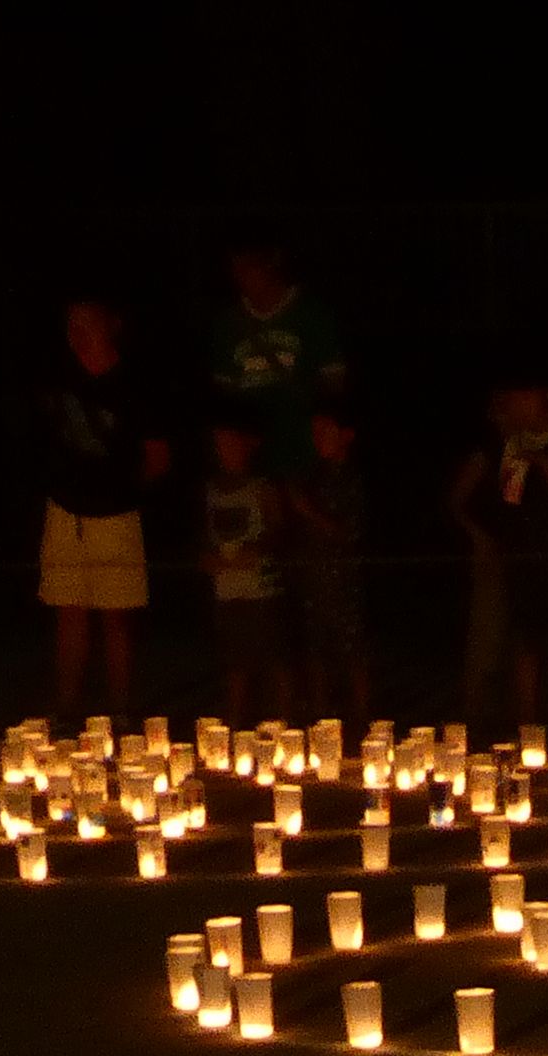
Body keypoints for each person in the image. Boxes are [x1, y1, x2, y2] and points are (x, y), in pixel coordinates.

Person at [34, 298, 170, 712]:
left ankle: (121, 711)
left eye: (87, 322)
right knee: (69, 613)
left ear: (112, 324)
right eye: (71, 324)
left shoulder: (135, 384)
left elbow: (158, 456)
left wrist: (125, 493)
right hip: (65, 511)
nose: (78, 332)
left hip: (116, 515)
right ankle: (66, 708)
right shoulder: (58, 378)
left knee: (116, 618)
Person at [451, 378, 548, 729]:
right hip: (523, 552)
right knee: (525, 634)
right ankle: (526, 715)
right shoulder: (513, 442)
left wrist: (542, 462)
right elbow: (510, 497)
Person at [281, 402, 369, 721]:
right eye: (314, 431)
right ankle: (320, 716)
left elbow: (350, 532)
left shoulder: (351, 479)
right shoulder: (311, 476)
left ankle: (361, 719)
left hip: (344, 579)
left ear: (346, 435)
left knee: (351, 651)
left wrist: (309, 512)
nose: (317, 437)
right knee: (315, 648)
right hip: (311, 577)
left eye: (325, 430)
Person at [202, 413, 289, 720]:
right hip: (226, 589)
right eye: (219, 443)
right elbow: (204, 536)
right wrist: (207, 558)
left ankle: (284, 720)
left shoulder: (262, 488)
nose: (224, 449)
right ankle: (236, 720)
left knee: (273, 656)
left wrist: (257, 550)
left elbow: (278, 530)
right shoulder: (211, 490)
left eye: (230, 442)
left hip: (259, 587)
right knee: (234, 658)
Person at [210, 243, 347, 433]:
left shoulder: (311, 314)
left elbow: (335, 384)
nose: (240, 277)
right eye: (235, 268)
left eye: (249, 266)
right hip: (252, 446)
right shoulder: (228, 323)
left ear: (273, 263)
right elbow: (224, 392)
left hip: (304, 441)